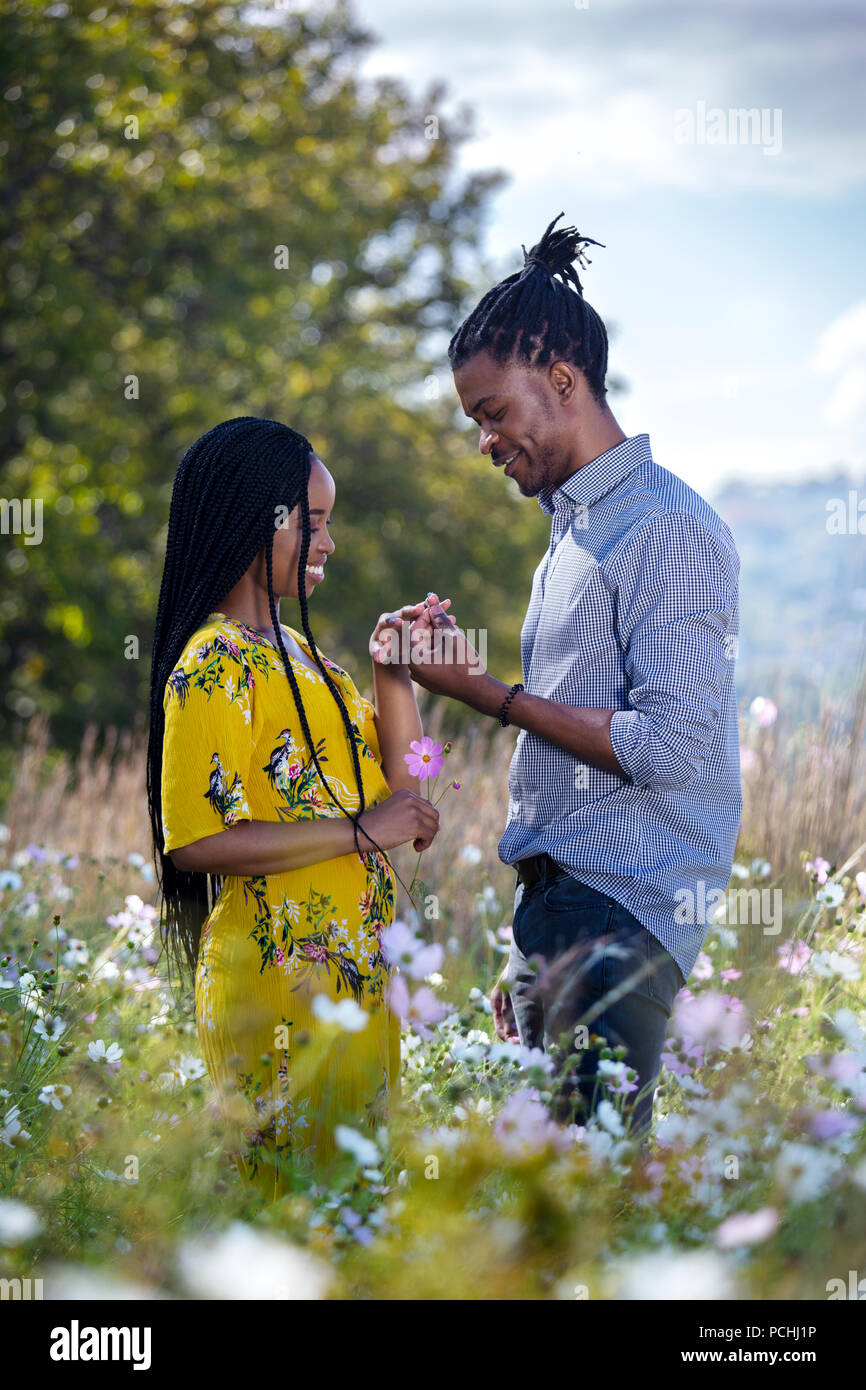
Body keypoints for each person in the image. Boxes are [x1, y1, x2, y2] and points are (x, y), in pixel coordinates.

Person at [408, 215, 742, 1141]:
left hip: (620, 914)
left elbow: (672, 744)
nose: (485, 441)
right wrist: (533, 948)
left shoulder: (664, 529)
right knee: (552, 1189)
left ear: (563, 381)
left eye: (493, 413)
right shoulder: (573, 534)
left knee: (589, 1199)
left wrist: (485, 694)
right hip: (567, 914)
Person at [146, 416, 445, 1198]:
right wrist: (361, 830)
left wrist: (393, 675)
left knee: (354, 1221)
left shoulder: (318, 666)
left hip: (355, 981)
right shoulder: (212, 664)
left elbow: (413, 787)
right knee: (293, 1222)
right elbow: (197, 841)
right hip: (274, 981)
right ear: (255, 519)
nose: (328, 543)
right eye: (311, 523)